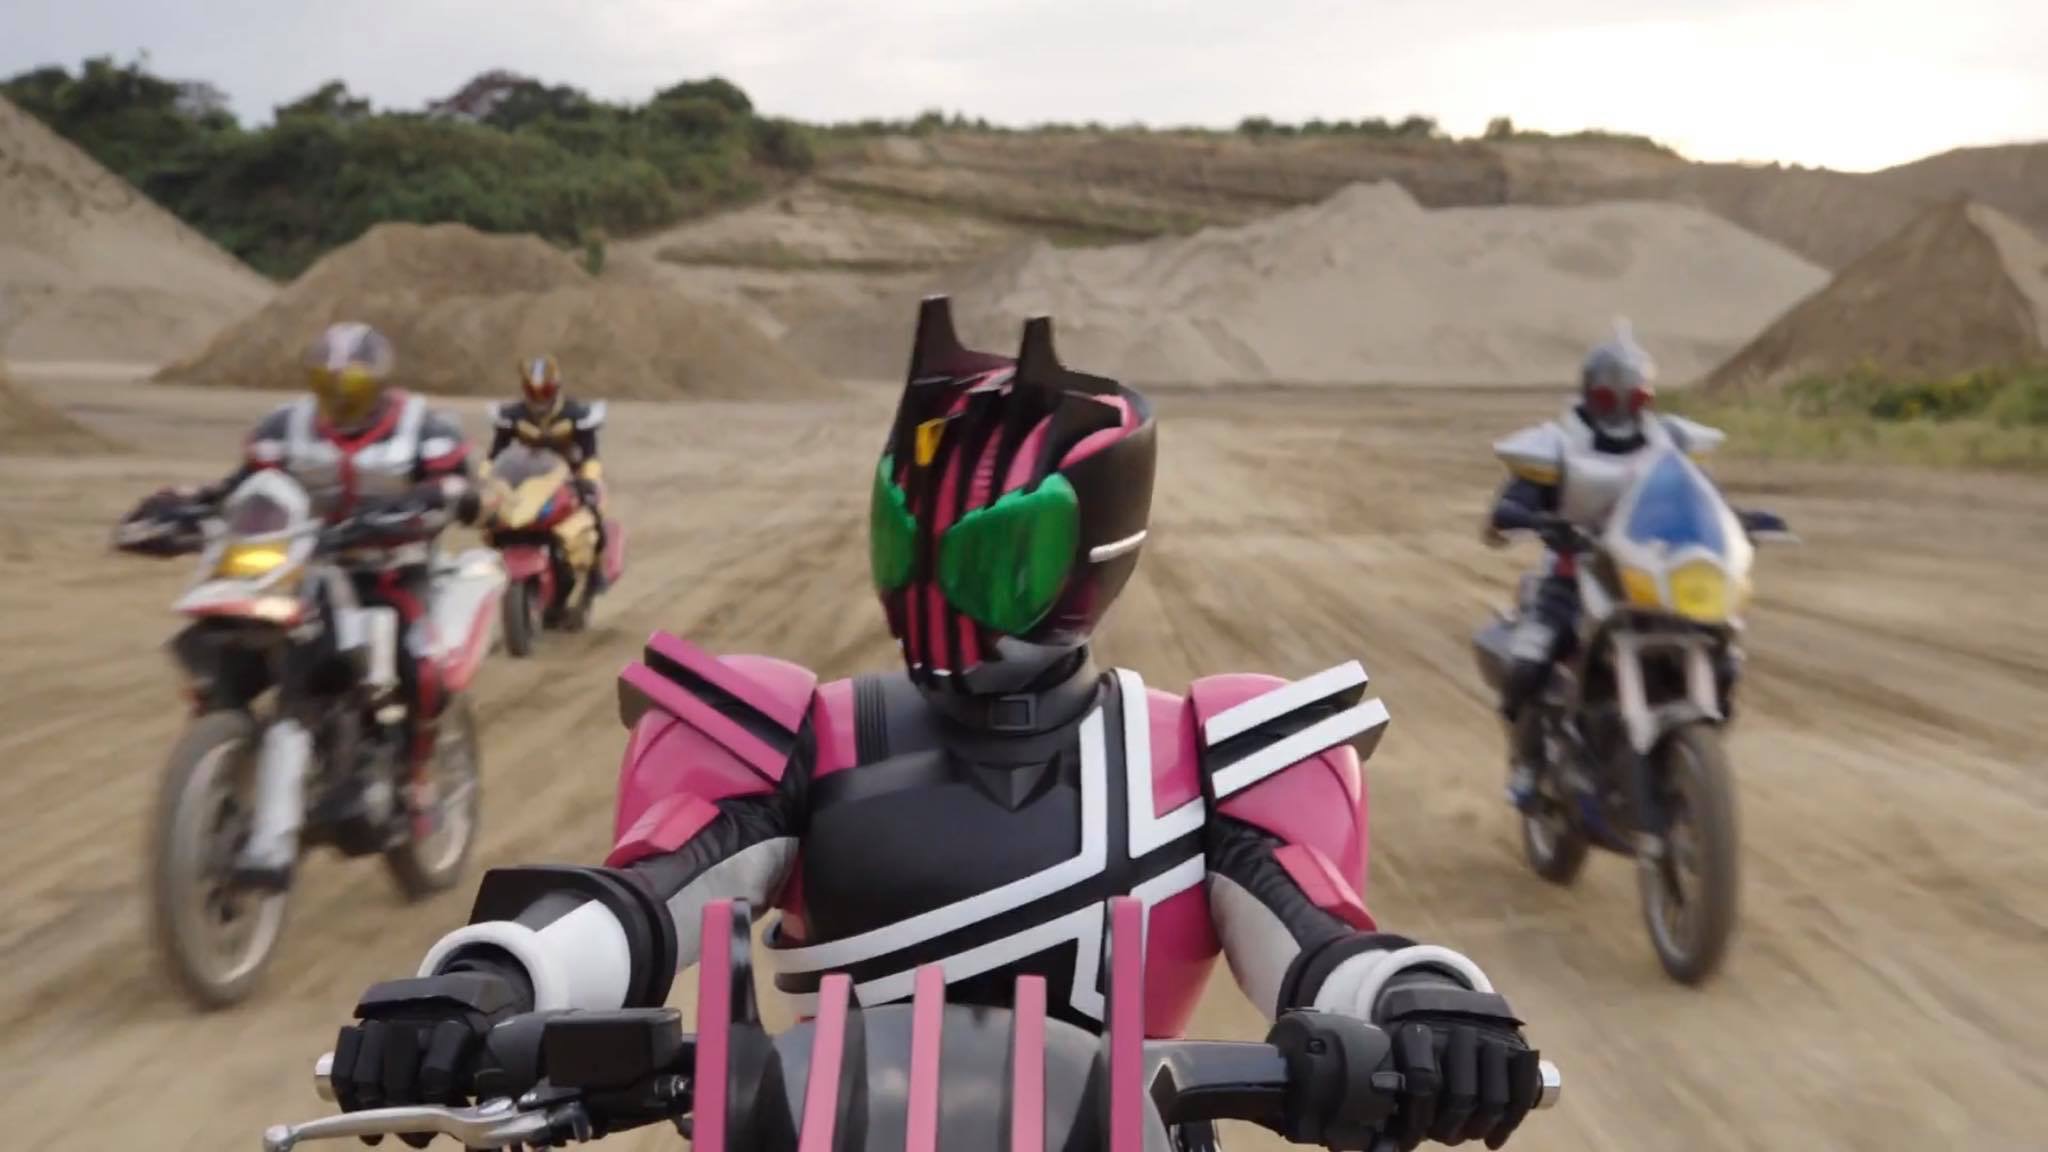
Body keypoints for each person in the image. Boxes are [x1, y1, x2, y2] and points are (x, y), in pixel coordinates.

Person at [323, 299, 1547, 1151]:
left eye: (986, 553)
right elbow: (647, 897)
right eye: (909, 539)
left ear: (1091, 546)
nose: (937, 587)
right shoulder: (795, 733)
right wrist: (495, 974)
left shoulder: (1203, 751)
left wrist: (1420, 1002)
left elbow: (1320, 944)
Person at [192, 322, 476, 887]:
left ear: (380, 384)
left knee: (423, 667)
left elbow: (459, 486)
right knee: (222, 644)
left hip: (392, 574)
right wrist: (193, 506)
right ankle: (217, 767)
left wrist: (436, 499)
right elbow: (246, 487)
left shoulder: (425, 426)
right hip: (303, 570)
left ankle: (418, 778)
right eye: (329, 386)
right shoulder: (284, 426)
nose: (341, 400)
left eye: (354, 387)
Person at [1483, 326, 1735, 836]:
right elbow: (1510, 505)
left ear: (1647, 398)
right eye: (1607, 396)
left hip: (1646, 577)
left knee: (1723, 648)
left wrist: (1738, 521)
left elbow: (1703, 498)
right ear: (1589, 394)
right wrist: (1526, 516)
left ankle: (1685, 758)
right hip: (1571, 579)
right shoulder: (1557, 444)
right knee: (1529, 663)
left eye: (1633, 397)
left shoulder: (1673, 442)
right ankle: (1527, 765)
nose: (1620, 407)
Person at [486, 354, 608, 593]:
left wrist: (589, 480)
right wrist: (485, 479)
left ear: (556, 388)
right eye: (533, 392)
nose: (539, 398)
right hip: (523, 476)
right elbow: (494, 456)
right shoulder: (512, 415)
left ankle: (596, 570)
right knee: (493, 519)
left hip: (570, 476)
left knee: (593, 514)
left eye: (545, 391)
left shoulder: (577, 414)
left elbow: (590, 455)